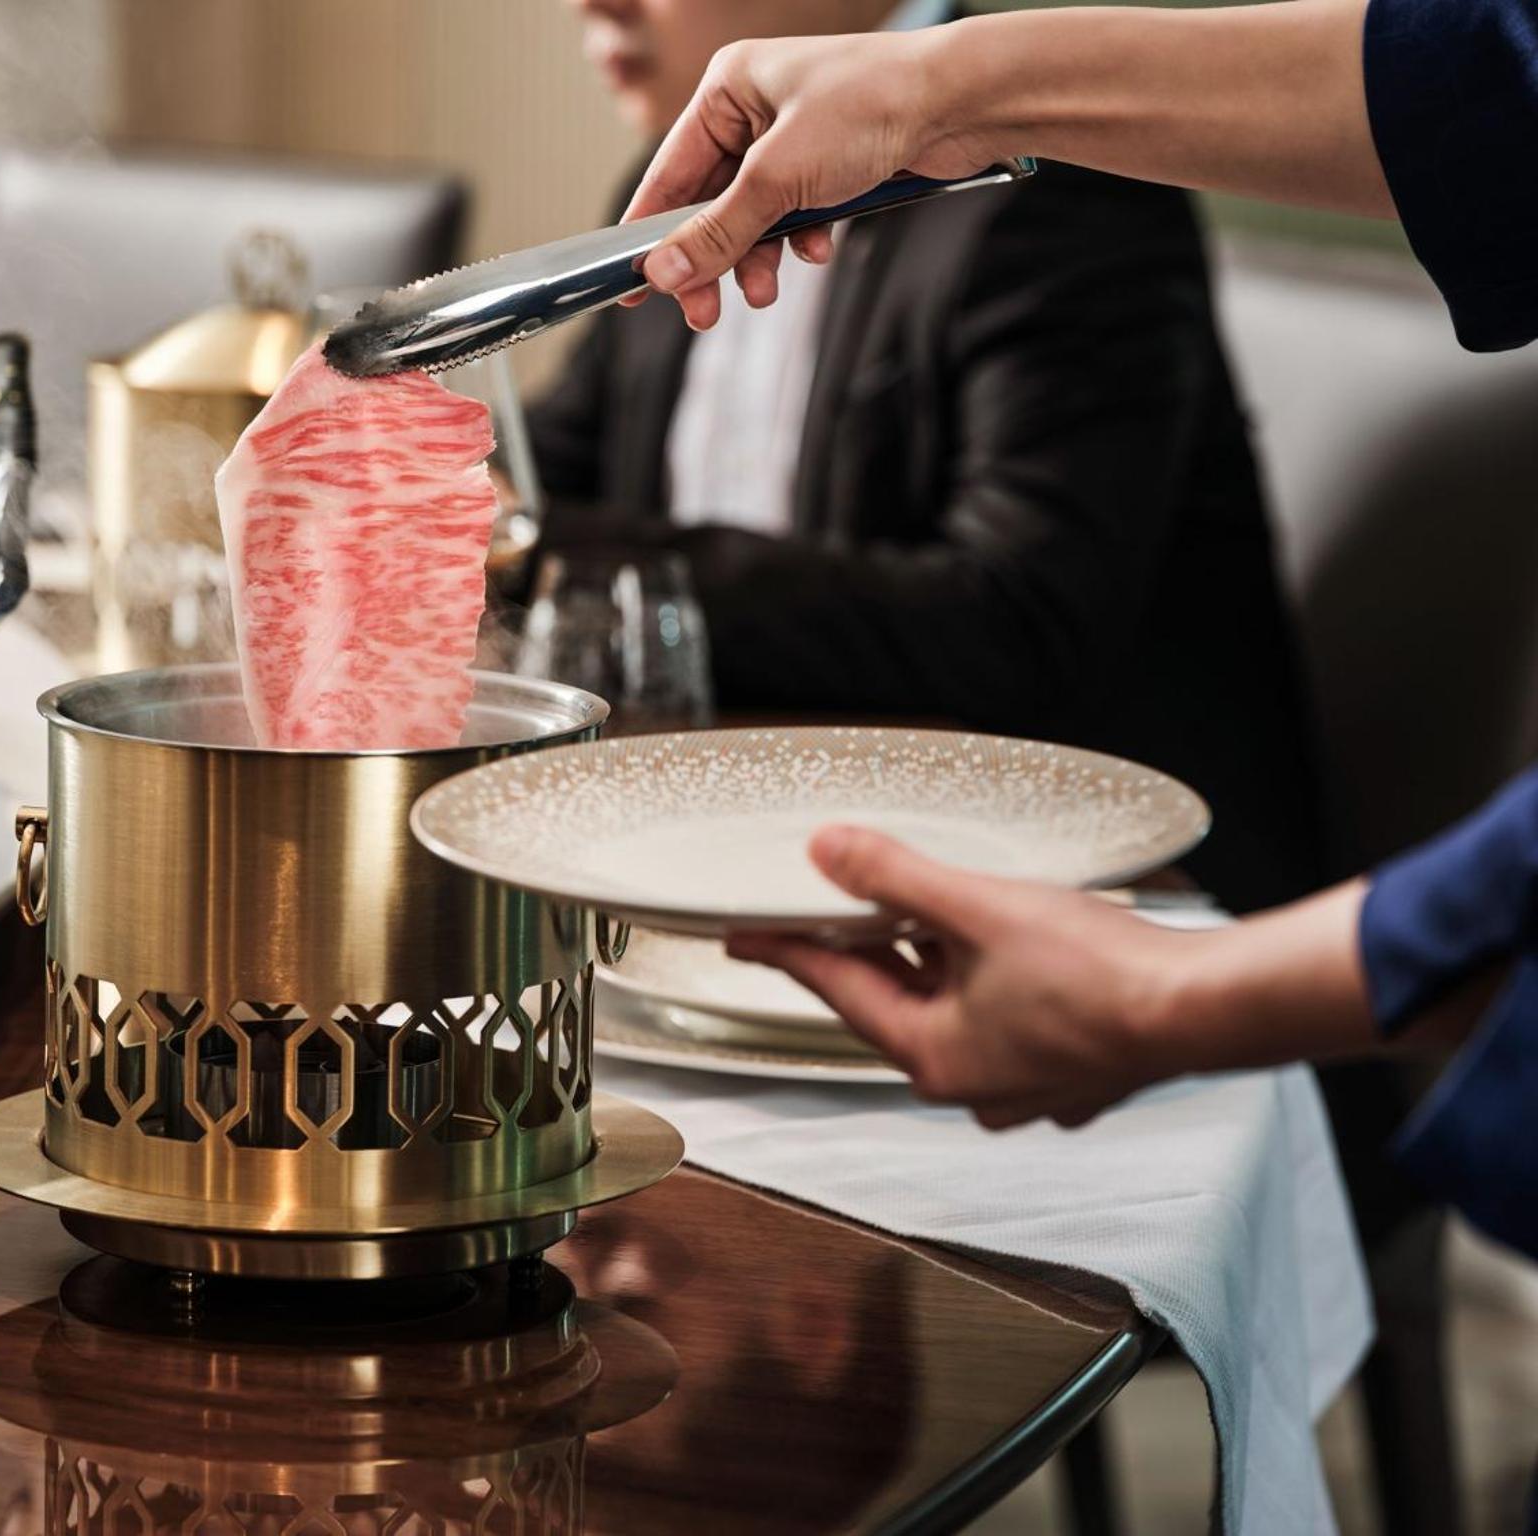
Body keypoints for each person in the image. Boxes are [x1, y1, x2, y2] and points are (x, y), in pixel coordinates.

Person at [616, 0, 1538, 1266]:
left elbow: (1490, 82)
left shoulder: (1063, 212)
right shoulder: (695, 190)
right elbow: (1492, 76)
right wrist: (940, 88)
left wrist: (1175, 991)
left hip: (1111, 968)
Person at [529, 0, 1325, 916]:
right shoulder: (679, 193)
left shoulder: (1056, 189)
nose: (593, 4)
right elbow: (556, 466)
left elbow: (1012, 623)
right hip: (772, 849)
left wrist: (539, 543)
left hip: (1107, 905)